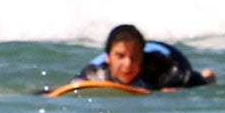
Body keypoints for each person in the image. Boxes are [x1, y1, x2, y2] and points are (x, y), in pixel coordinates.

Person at [75, 23, 216, 89]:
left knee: (200, 80)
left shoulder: (164, 69)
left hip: (171, 55)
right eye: (120, 56)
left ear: (142, 57)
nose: (128, 64)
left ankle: (206, 74)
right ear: (108, 57)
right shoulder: (95, 72)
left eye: (134, 57)